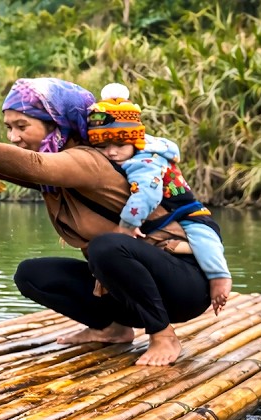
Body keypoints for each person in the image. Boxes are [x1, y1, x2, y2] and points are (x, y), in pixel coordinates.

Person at [0, 77, 212, 366]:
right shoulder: (60, 175)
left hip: (183, 286)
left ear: (58, 124)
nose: (13, 137)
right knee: (33, 274)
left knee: (107, 247)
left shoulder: (89, 160)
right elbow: (18, 170)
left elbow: (35, 167)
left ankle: (163, 335)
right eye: (9, 127)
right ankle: (113, 329)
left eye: (22, 126)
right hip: (127, 290)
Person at [86, 83, 232, 315]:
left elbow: (147, 194)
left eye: (119, 144)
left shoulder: (145, 162)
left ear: (135, 141)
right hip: (167, 219)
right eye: (102, 146)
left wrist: (127, 226)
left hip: (189, 213)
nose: (111, 152)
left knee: (206, 242)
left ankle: (220, 279)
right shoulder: (127, 157)